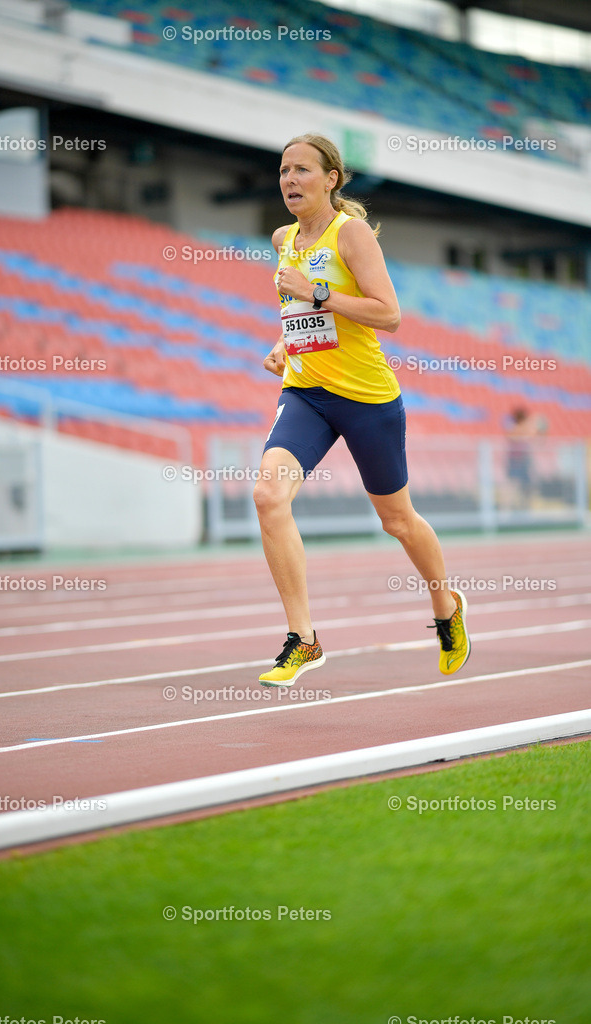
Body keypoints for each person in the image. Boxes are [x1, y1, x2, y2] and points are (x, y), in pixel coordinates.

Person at [254, 132, 471, 686]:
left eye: (301, 170)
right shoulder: (283, 238)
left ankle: (445, 605)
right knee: (267, 495)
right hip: (306, 394)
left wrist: (317, 289)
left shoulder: (348, 234)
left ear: (331, 179)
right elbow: (302, 313)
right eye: (283, 172)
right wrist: (286, 345)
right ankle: (303, 640)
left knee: (396, 519)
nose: (289, 181)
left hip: (367, 398)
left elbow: (388, 314)